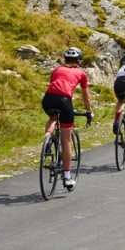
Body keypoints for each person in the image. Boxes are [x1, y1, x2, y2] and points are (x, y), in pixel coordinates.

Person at [42, 47, 93, 189]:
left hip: (48, 99)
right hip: (64, 101)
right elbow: (85, 96)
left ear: (65, 60)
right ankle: (67, 177)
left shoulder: (57, 70)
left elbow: (53, 85)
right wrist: (89, 111)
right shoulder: (81, 73)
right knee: (66, 140)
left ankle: (47, 139)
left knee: (53, 118)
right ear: (79, 62)